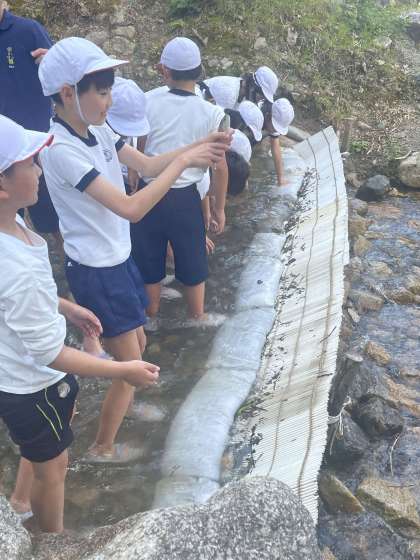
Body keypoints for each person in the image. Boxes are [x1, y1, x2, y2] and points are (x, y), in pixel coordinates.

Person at [38, 37, 228, 462]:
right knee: (129, 368)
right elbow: (131, 207)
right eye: (102, 92)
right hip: (97, 271)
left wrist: (200, 147)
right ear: (68, 93)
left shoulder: (97, 129)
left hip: (118, 260)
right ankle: (102, 448)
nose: (109, 101)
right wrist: (185, 163)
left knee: (137, 342)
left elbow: (147, 165)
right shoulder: (62, 150)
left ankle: (115, 396)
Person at [0, 114, 162, 533]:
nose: (40, 170)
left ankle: (23, 508)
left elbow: (12, 298)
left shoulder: (13, 226)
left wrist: (63, 308)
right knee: (54, 469)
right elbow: (49, 353)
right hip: (32, 386)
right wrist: (121, 369)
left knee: (45, 456)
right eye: (30, 164)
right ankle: (53, 541)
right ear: (2, 186)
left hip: (22, 374)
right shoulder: (14, 264)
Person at [132, 37, 229, 324]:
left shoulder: (147, 100)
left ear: (164, 70)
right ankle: (197, 318)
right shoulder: (213, 113)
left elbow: (140, 147)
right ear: (199, 71)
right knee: (193, 263)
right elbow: (220, 168)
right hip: (185, 200)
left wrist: (135, 180)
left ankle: (150, 318)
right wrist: (219, 209)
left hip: (149, 195)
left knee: (149, 264)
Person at [0, 1, 61, 239]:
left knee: (50, 212)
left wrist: (51, 63)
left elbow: (58, 76)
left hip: (34, 142)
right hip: (3, 148)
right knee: (7, 215)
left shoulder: (28, 30)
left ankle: (62, 253)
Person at [198, 65, 279, 109]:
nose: (260, 100)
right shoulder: (229, 93)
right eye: (262, 95)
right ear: (253, 87)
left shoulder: (242, 94)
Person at [259, 97, 295, 186]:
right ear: (269, 116)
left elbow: (275, 146)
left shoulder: (273, 115)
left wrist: (280, 178)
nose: (276, 131)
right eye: (275, 127)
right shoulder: (257, 115)